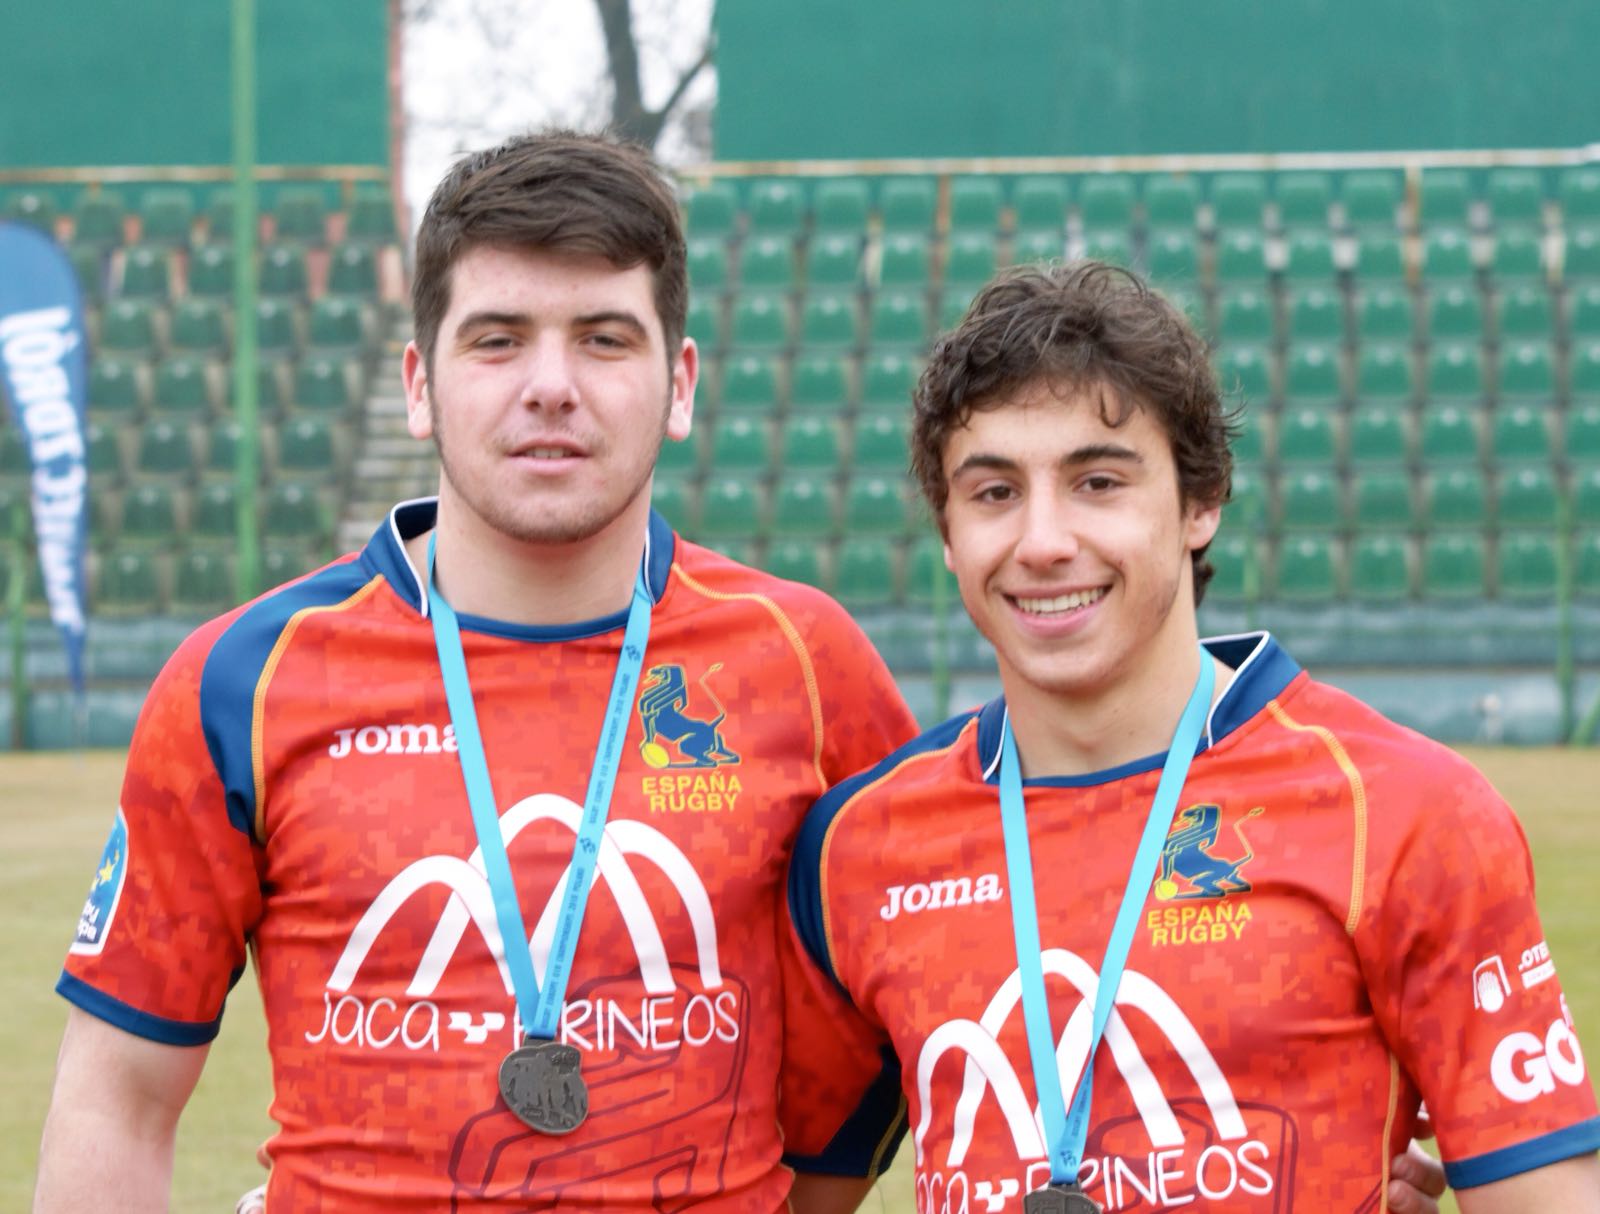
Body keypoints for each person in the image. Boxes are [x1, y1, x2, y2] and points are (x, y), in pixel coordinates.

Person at [33, 131, 919, 1212]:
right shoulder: (242, 682)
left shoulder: (805, 664)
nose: (550, 385)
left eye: (604, 339)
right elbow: (117, 1099)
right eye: (498, 340)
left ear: (678, 384)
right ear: (419, 384)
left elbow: (922, 1021)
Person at [779, 260, 1600, 1211]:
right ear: (949, 531)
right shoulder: (859, 851)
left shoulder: (1406, 814)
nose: (1043, 540)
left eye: (1097, 482)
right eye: (995, 492)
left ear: (1199, 504)